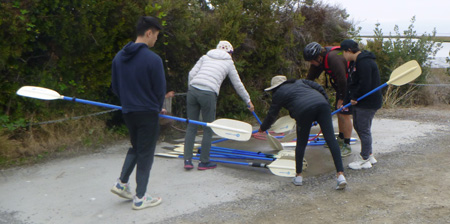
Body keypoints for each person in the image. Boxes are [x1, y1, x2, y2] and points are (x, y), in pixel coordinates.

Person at [110, 16, 165, 210]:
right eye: (156, 35)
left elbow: (115, 87)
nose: (156, 40)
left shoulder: (118, 57)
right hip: (148, 113)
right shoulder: (153, 59)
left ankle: (121, 183)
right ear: (149, 33)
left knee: (136, 146)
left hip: (128, 111)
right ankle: (141, 197)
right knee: (146, 153)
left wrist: (129, 100)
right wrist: (157, 106)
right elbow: (159, 90)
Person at [259, 75, 347, 190]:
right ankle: (340, 175)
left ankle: (298, 176)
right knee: (331, 140)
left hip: (304, 111)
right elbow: (320, 88)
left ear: (275, 87)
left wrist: (263, 128)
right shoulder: (301, 82)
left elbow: (272, 115)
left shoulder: (278, 94)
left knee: (301, 143)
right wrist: (325, 104)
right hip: (322, 106)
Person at [183, 40, 254, 170]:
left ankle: (187, 160)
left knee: (191, 126)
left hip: (193, 90)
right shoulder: (228, 62)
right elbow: (237, 84)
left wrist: (191, 89)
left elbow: (191, 74)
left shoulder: (205, 57)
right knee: (208, 127)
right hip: (208, 93)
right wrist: (248, 100)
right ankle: (204, 162)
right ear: (229, 52)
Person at [303, 42, 353, 157]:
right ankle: (340, 138)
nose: (311, 63)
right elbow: (309, 79)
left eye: (311, 61)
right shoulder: (319, 61)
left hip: (349, 85)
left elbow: (342, 80)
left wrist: (341, 98)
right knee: (339, 111)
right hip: (341, 86)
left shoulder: (333, 58)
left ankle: (347, 144)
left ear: (318, 57)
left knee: (344, 113)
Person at [340, 39, 382, 170]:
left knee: (363, 128)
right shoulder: (355, 62)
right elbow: (352, 83)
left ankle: (364, 159)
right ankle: (369, 154)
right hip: (362, 101)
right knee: (360, 127)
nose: (344, 56)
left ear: (349, 51)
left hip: (368, 101)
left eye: (343, 53)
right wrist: (347, 100)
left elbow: (366, 84)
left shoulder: (364, 62)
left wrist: (355, 97)